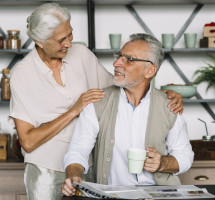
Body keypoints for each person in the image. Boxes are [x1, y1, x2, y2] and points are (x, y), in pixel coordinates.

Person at [9, 3, 183, 200]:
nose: (69, 43)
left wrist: (162, 95)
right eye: (61, 40)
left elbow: (124, 85)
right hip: (46, 171)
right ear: (39, 41)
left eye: (70, 33)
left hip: (87, 167)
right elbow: (28, 142)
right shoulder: (21, 75)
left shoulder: (81, 55)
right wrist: (74, 110)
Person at [61, 33, 194, 196]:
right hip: (113, 194)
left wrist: (162, 164)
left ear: (150, 70)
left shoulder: (170, 105)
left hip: (160, 194)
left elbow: (185, 155)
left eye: (129, 59)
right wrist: (73, 175)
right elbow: (78, 150)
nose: (116, 63)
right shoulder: (97, 102)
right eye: (119, 56)